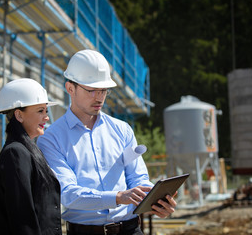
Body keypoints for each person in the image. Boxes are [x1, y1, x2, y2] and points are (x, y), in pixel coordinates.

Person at [37, 49, 177, 235]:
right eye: (92, 90)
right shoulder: (51, 139)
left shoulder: (122, 130)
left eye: (104, 90)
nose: (99, 97)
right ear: (70, 88)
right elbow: (68, 194)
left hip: (130, 229)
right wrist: (118, 197)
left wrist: (155, 198)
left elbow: (137, 178)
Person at [0, 78, 62, 235]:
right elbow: (22, 220)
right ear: (19, 115)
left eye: (46, 111)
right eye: (40, 111)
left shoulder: (26, 150)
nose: (46, 117)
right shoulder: (16, 153)